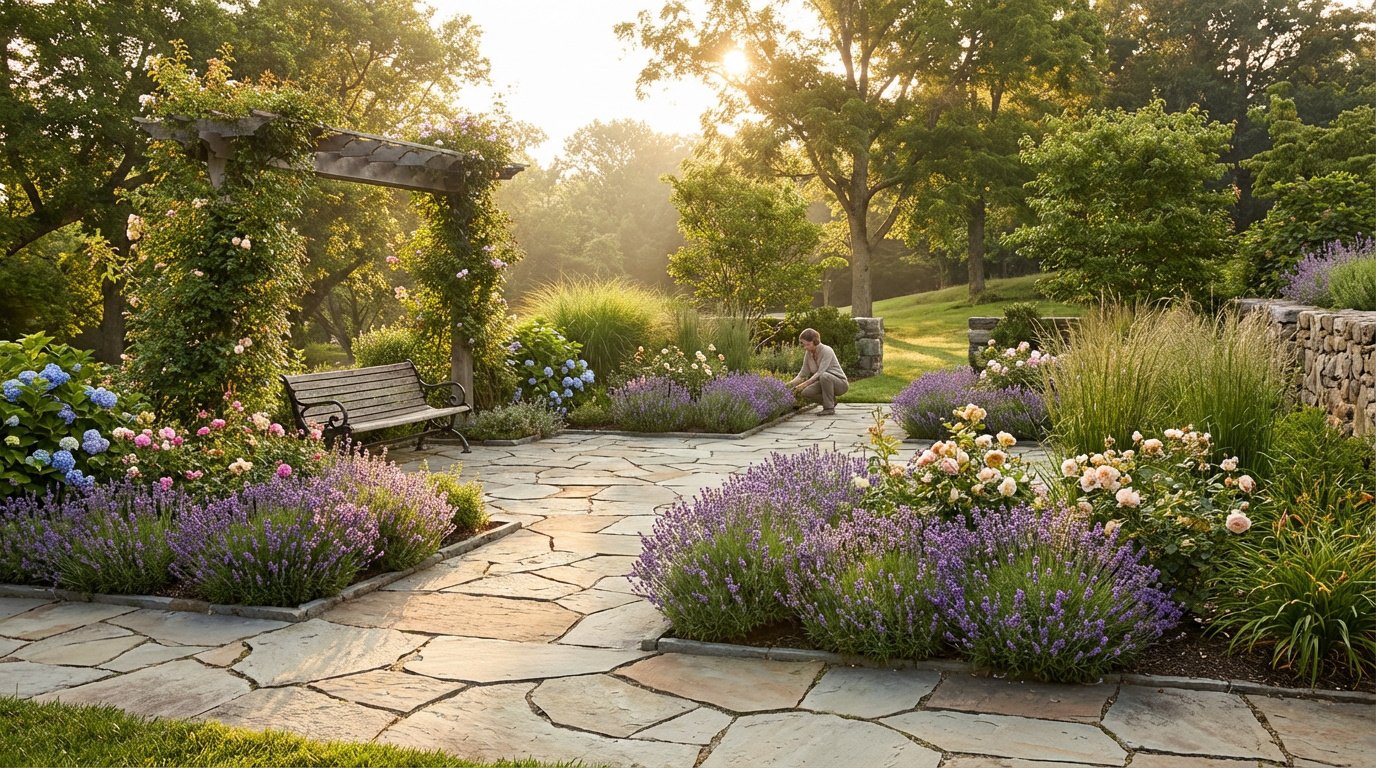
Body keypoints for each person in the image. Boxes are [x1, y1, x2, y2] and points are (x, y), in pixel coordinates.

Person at [788, 327, 848, 415]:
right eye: (803, 345)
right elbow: (802, 374)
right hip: (824, 382)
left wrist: (803, 384)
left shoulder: (827, 350)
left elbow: (820, 372)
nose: (805, 347)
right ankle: (831, 401)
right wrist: (788, 386)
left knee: (824, 375)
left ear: (815, 341)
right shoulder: (808, 354)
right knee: (806, 392)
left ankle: (829, 408)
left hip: (840, 384)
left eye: (807, 344)